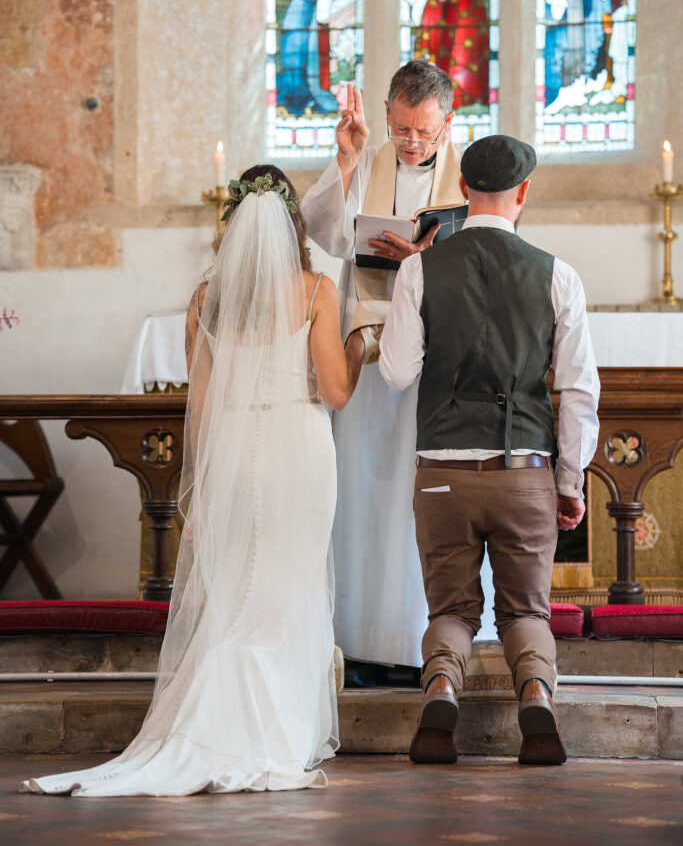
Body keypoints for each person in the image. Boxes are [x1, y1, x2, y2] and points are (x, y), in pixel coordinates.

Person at [20, 166, 364, 796]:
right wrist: (362, 345)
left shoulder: (206, 299)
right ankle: (276, 730)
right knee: (289, 587)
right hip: (299, 449)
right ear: (293, 224)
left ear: (230, 224)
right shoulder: (317, 291)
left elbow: (199, 409)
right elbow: (337, 393)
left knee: (235, 593)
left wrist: (200, 488)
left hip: (233, 451)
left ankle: (215, 722)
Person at [378, 134, 600, 765]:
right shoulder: (558, 274)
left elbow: (396, 372)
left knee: (451, 608)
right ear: (522, 193)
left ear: (462, 191)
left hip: (442, 475)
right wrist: (569, 481)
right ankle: (536, 699)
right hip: (524, 471)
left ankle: (442, 691)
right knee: (525, 611)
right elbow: (580, 389)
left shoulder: (422, 268)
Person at [302, 60, 475, 668]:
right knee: (366, 486)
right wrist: (346, 159)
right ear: (386, 115)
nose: (411, 143)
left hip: (435, 359)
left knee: (420, 497)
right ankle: (361, 639)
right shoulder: (368, 161)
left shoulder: (469, 180)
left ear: (448, 122)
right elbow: (319, 229)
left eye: (425, 132)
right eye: (402, 129)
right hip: (365, 352)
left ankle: (416, 641)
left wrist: (427, 261)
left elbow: (490, 253)